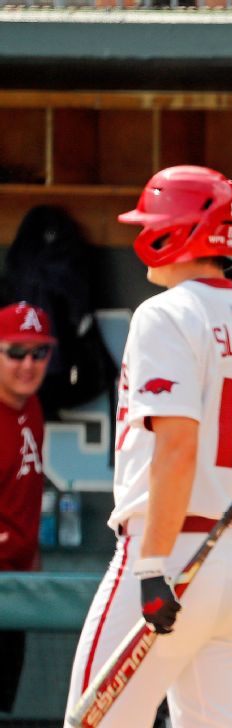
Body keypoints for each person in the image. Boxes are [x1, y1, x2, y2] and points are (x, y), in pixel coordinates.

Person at [65, 165, 232, 727]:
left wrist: (149, 566)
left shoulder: (166, 313)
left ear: (177, 230)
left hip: (173, 551)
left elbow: (176, 448)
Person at [0, 302, 53, 713]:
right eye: (15, 352)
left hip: (16, 583)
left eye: (39, 352)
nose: (28, 364)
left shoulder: (32, 407)